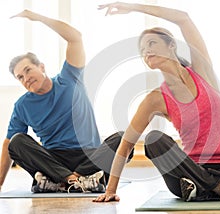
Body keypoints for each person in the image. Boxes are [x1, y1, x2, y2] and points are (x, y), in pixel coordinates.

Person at [94, 2, 220, 203]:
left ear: (171, 45)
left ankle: (210, 188)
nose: (146, 51)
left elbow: (183, 18)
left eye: (151, 44)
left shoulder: (203, 71)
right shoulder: (155, 98)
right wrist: (111, 189)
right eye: (142, 49)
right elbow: (126, 145)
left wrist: (134, 7)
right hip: (188, 173)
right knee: (154, 140)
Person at [0, 10, 132, 193]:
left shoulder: (69, 78)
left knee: (126, 138)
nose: (25, 78)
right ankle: (75, 180)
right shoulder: (22, 105)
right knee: (16, 141)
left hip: (89, 156)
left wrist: (39, 17)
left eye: (28, 70)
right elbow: (9, 145)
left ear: (41, 67)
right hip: (54, 160)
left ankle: (66, 180)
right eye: (20, 77)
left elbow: (75, 38)